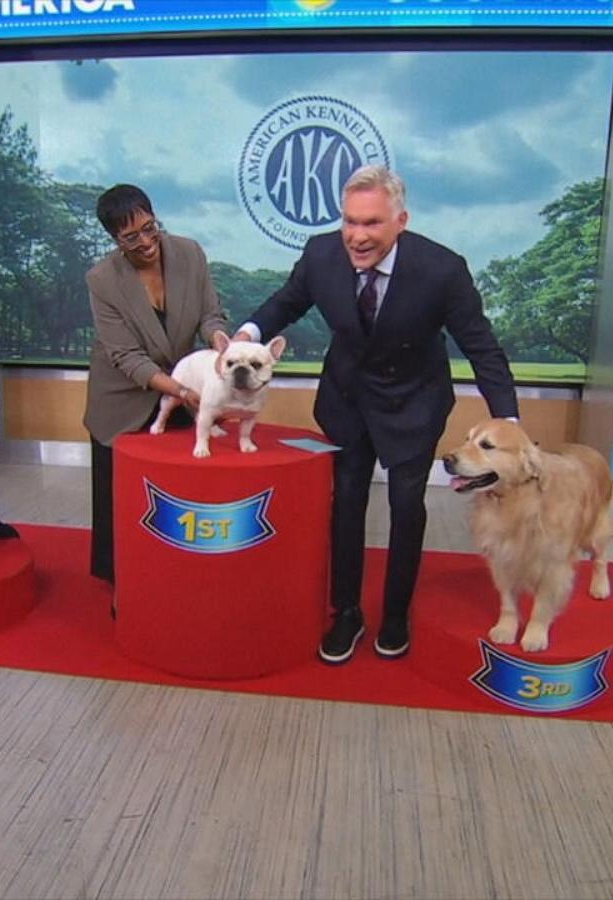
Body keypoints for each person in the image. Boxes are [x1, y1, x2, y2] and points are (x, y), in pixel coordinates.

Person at [237, 164, 519, 664]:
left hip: (414, 400)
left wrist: (509, 422)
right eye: (350, 221)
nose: (357, 236)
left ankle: (395, 612)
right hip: (347, 398)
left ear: (400, 221)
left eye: (371, 223)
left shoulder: (442, 269)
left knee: (406, 507)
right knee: (345, 501)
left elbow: (482, 347)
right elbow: (288, 301)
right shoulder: (321, 253)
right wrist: (248, 334)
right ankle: (345, 611)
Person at [84, 184, 228, 584]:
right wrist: (181, 390)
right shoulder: (102, 280)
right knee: (121, 501)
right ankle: (123, 584)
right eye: (132, 237)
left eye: (151, 228)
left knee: (180, 486)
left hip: (179, 388)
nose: (147, 242)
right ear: (114, 238)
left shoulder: (189, 253)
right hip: (123, 398)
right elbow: (127, 357)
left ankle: (177, 573)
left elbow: (210, 315)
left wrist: (219, 341)